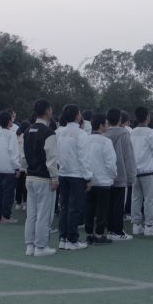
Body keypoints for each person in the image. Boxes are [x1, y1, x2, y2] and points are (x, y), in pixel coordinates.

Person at [22, 99, 59, 256]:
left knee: (31, 214)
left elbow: (23, 157)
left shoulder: (27, 131)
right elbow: (51, 158)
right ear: (48, 111)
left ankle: (30, 246)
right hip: (44, 178)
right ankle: (41, 247)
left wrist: (27, 169)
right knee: (44, 214)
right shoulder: (48, 133)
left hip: (30, 176)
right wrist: (55, 177)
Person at [56, 104, 92, 249]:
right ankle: (72, 240)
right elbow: (84, 158)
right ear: (77, 116)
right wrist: (88, 177)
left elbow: (57, 154)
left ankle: (63, 238)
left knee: (64, 207)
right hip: (77, 175)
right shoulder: (81, 134)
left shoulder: (59, 132)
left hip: (63, 173)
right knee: (75, 208)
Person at [105, 107, 136, 240]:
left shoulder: (105, 133)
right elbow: (128, 156)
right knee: (118, 204)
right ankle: (117, 231)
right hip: (120, 174)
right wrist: (131, 176)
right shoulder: (124, 134)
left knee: (109, 204)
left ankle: (110, 229)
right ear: (120, 119)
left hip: (107, 175)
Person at [85, 112, 116, 245]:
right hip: (103, 181)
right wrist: (113, 175)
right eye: (106, 123)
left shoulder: (86, 139)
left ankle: (89, 234)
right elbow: (110, 163)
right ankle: (99, 234)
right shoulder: (106, 141)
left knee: (90, 208)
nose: (107, 125)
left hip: (89, 180)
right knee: (102, 210)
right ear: (101, 125)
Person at [130, 106, 153, 237]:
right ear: (147, 117)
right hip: (149, 170)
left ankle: (136, 225)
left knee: (136, 198)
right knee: (150, 199)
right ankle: (149, 225)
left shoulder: (132, 132)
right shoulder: (151, 133)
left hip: (135, 170)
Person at [0, 110, 20, 224]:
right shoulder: (11, 134)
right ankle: (6, 216)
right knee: (8, 194)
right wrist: (17, 168)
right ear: (9, 121)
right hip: (9, 168)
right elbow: (13, 153)